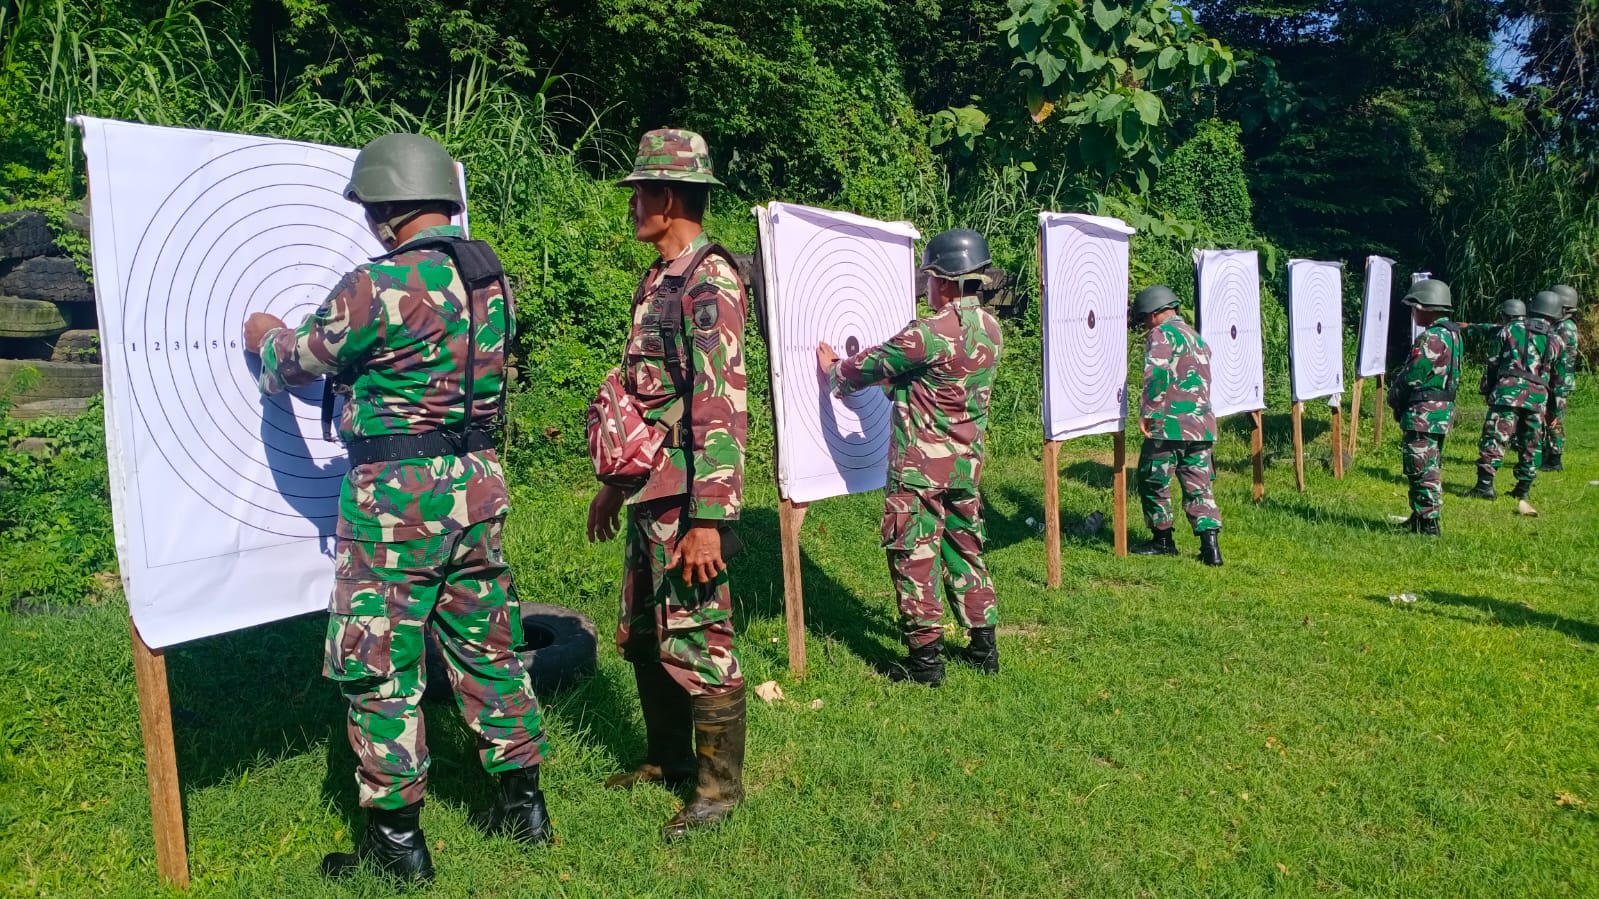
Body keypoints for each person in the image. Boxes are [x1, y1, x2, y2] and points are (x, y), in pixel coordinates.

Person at [243, 133, 550, 884]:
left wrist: (265, 336)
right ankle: (523, 807)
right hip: (476, 483)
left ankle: (396, 842)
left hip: (397, 503)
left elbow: (297, 361)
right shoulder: (489, 278)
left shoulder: (376, 285)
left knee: (379, 662)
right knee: (488, 644)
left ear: (385, 209)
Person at [585, 128, 749, 842]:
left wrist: (709, 517)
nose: (633, 206)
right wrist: (615, 486)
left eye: (641, 193)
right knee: (645, 632)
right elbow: (646, 396)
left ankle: (719, 790)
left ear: (671, 195)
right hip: (650, 491)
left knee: (702, 635)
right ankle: (667, 758)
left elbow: (722, 404)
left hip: (688, 500)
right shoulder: (660, 277)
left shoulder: (709, 280)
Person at [817, 228, 1004, 687]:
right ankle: (984, 647)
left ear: (942, 279)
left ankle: (925, 666)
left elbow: (863, 368)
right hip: (965, 468)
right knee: (965, 550)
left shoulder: (928, 333)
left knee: (914, 557)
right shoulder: (993, 330)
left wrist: (831, 369)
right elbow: (934, 385)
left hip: (920, 472)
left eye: (929, 277)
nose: (926, 286)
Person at [1128, 285, 1223, 566]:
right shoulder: (1197, 338)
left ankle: (1163, 540)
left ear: (1156, 312)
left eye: (1145, 317)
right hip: (1202, 425)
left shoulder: (1162, 335)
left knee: (1153, 479)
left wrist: (1149, 413)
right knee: (1199, 485)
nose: (1145, 323)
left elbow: (1156, 375)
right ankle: (1210, 547)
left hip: (1170, 425)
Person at [1466, 290, 1567, 502]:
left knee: (1495, 437)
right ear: (1556, 313)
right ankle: (1523, 489)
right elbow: (1558, 382)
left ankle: (1485, 485)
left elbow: (1493, 362)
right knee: (1531, 442)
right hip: (1538, 398)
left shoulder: (1511, 328)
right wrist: (1554, 410)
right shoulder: (1558, 341)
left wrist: (1488, 388)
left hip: (1507, 392)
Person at [1387, 279, 1462, 536]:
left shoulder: (1432, 336)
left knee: (1420, 465)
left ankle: (1429, 522)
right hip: (1440, 410)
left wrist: (1394, 396)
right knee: (1428, 464)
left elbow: (1413, 375)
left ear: (1427, 306)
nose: (1413, 312)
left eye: (1415, 307)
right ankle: (1420, 516)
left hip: (1424, 410)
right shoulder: (1453, 334)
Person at [1542, 285, 1581, 471]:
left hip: (1559, 381)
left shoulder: (1565, 327)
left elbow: (1555, 354)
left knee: (1554, 419)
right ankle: (1547, 453)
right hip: (1555, 380)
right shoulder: (1559, 325)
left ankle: (1554, 459)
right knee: (1548, 416)